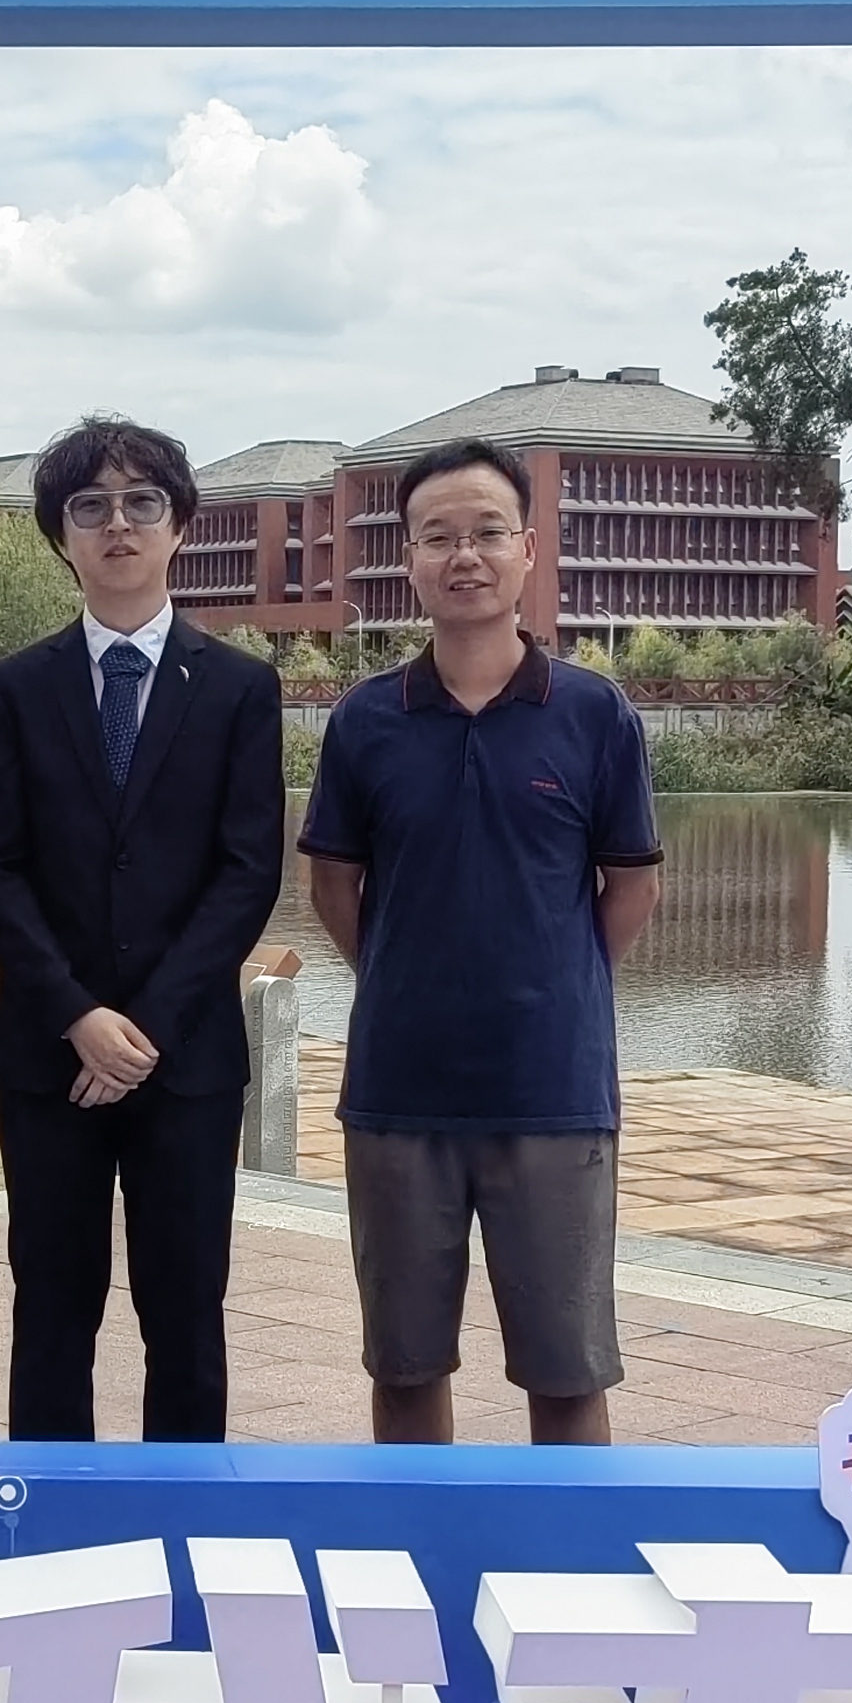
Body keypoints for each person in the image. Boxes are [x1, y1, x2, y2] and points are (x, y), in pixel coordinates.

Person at [299, 437, 663, 1446]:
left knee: (567, 1370)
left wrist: (556, 977)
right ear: (409, 558)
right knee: (404, 1363)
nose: (465, 555)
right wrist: (406, 974)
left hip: (552, 1091)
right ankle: (421, 1541)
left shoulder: (593, 713)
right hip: (398, 1091)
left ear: (527, 550)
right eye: (439, 537)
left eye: (488, 533)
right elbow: (331, 883)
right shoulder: (366, 721)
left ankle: (564, 1546)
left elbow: (631, 885)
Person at [0, 417, 284, 1440]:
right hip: (46, 1057)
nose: (118, 524)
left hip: (184, 1060)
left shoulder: (239, 688)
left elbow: (247, 873)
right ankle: (51, 1518)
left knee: (184, 1312)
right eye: (90, 506)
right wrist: (77, 1016)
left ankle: (182, 1514)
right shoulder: (14, 690)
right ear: (60, 534)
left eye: (142, 502)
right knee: (51, 1308)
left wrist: (141, 1027)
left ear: (180, 524)